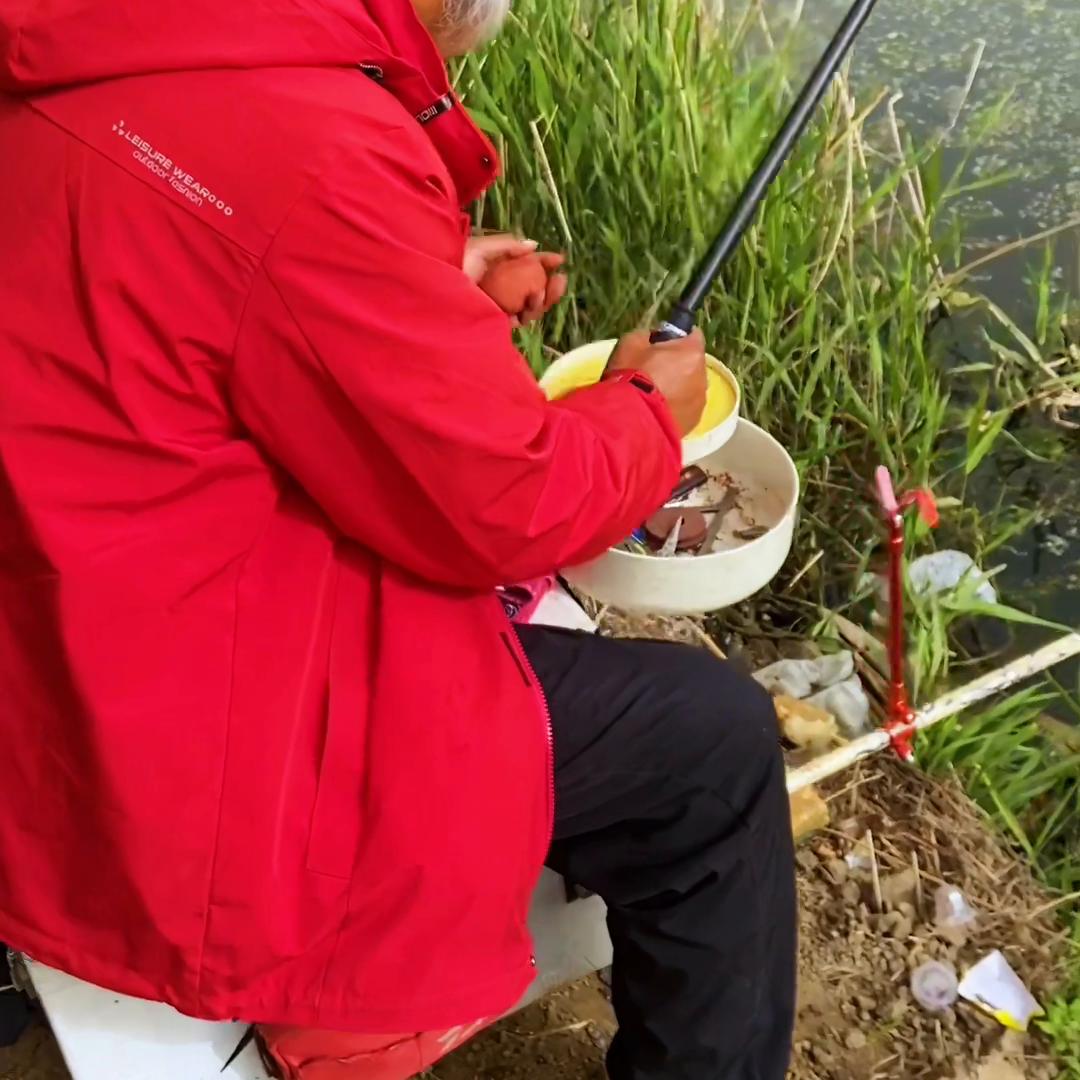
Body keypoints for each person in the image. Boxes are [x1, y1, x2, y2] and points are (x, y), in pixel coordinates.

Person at [0, 0, 795, 1076]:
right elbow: (512, 504)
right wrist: (649, 408)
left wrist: (419, 273)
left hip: (63, 612)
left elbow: (207, 249)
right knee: (712, 745)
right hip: (172, 748)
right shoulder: (313, 147)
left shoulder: (108, 39)